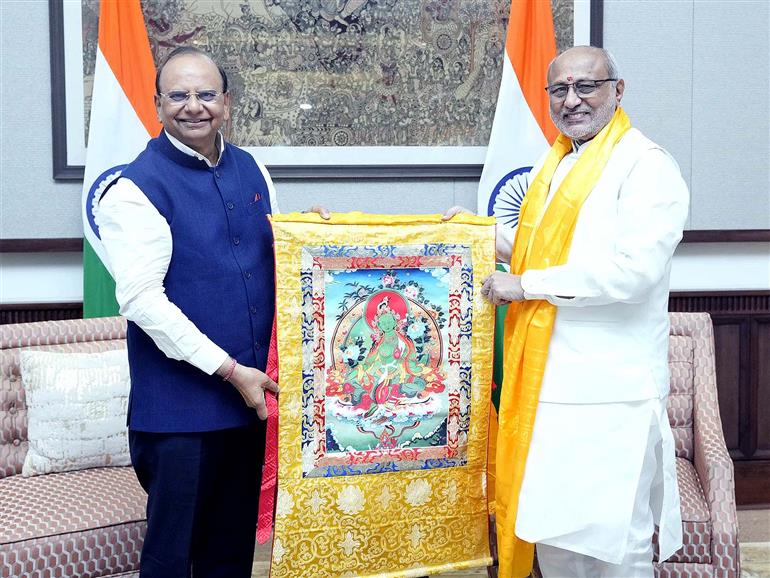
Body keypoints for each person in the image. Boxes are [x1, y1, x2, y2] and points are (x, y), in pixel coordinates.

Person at [447, 46, 688, 578]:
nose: (572, 100)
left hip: (611, 401)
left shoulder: (647, 165)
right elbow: (553, 254)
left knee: (613, 551)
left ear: (617, 91)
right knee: (552, 540)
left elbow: (632, 272)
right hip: (547, 395)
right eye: (560, 89)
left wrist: (526, 284)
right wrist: (485, 237)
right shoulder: (554, 164)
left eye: (587, 86)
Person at [95, 47, 311, 578]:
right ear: (158, 104)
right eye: (179, 95)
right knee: (172, 560)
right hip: (179, 418)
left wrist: (310, 232)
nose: (194, 107)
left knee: (230, 554)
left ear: (227, 102)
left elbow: (274, 255)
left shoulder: (253, 167)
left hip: (250, 403)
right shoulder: (132, 190)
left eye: (206, 94)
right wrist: (230, 370)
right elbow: (142, 299)